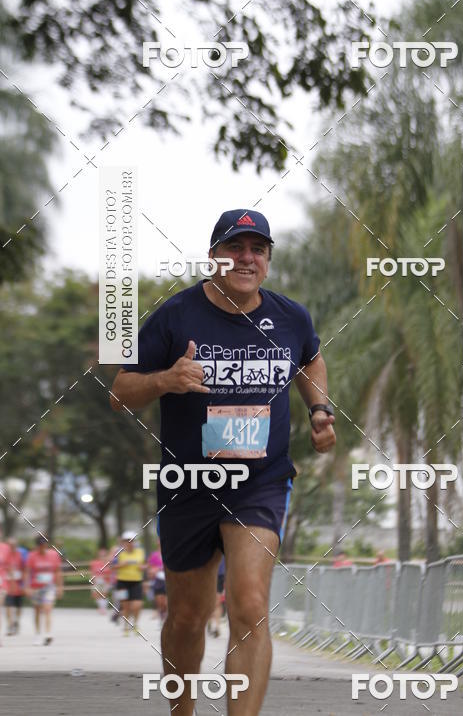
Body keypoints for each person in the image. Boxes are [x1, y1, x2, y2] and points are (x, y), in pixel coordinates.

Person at [111, 208, 336, 716]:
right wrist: (165, 379)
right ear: (213, 256)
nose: (246, 258)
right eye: (235, 248)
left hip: (260, 481)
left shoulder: (291, 317)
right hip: (188, 483)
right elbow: (120, 392)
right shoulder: (176, 316)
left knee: (251, 604)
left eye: (258, 249)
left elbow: (311, 357)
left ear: (268, 260)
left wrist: (319, 408)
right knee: (189, 617)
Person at [24, 535, 63, 645]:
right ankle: (38, 634)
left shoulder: (54, 555)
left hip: (49, 587)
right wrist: (27, 587)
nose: (42, 547)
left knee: (47, 609)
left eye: (44, 545)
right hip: (36, 587)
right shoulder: (32, 556)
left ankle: (48, 633)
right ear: (37, 546)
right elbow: (27, 572)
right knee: (37, 611)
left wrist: (60, 587)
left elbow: (58, 571)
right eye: (40, 546)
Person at [114, 531, 145, 635]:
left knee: (137, 605)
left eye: (131, 541)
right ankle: (126, 626)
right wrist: (121, 565)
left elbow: (146, 565)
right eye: (127, 541)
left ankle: (135, 624)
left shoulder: (140, 552)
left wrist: (143, 567)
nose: (129, 543)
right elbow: (110, 566)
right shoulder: (118, 552)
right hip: (122, 582)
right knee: (125, 606)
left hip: (136, 582)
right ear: (123, 542)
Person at [5, 538, 26, 635]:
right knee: (9, 605)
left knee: (18, 606)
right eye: (10, 545)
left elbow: (24, 569)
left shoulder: (20, 555)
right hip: (8, 584)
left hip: (18, 584)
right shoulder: (5, 555)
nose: (11, 547)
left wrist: (24, 584)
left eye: (13, 545)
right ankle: (10, 625)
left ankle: (16, 621)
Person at [147, 543, 167, 624]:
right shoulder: (154, 555)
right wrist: (152, 571)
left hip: (168, 580)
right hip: (158, 580)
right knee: (160, 602)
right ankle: (161, 615)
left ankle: (165, 617)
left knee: (166, 602)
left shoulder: (170, 553)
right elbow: (149, 567)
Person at [89, 547, 112, 614]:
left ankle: (103, 608)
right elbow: (92, 572)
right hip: (97, 579)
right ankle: (101, 607)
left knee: (104, 594)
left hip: (106, 580)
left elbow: (110, 572)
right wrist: (92, 579)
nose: (102, 556)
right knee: (95, 594)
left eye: (104, 555)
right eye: (101, 555)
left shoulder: (108, 563)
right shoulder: (94, 562)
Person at [208, 557, 226, 638]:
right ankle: (211, 622)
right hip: (209, 572)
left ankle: (216, 626)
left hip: (220, 574)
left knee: (217, 601)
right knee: (211, 600)